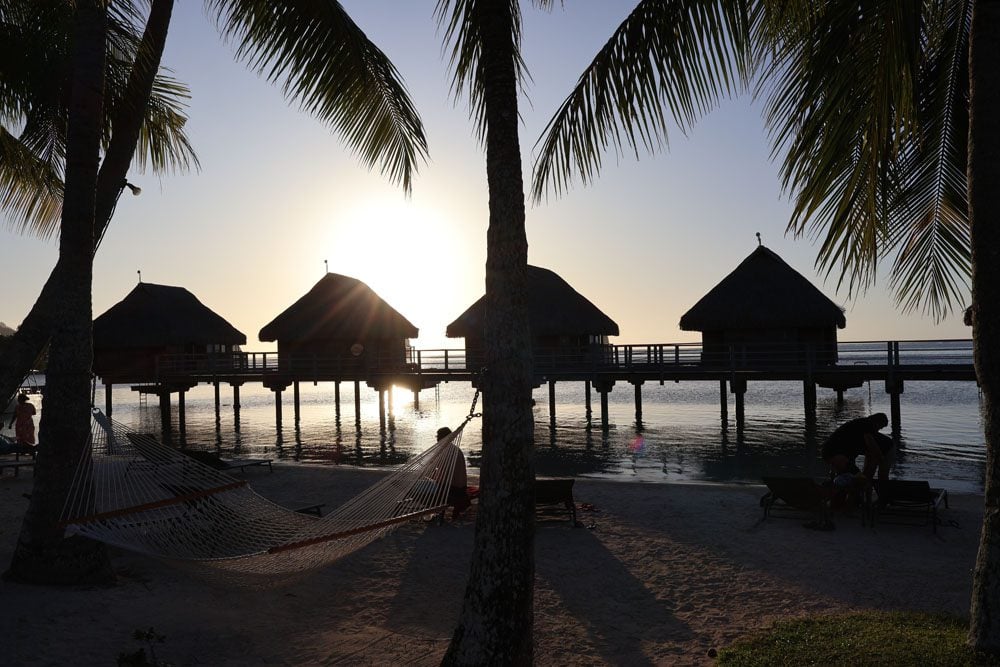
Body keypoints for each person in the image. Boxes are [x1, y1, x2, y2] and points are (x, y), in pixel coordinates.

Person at [821, 412, 894, 489]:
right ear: (877, 423)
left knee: (864, 477)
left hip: (886, 448)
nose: (878, 431)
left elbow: (872, 448)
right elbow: (871, 444)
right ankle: (866, 492)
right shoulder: (867, 424)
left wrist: (880, 460)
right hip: (871, 450)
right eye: (880, 428)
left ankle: (873, 492)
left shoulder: (862, 427)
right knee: (859, 477)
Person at [432, 426, 472, 520]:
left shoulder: (445, 452)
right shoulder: (456, 450)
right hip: (460, 488)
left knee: (415, 485)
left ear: (444, 438)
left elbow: (434, 470)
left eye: (438, 436)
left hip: (449, 489)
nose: (437, 438)